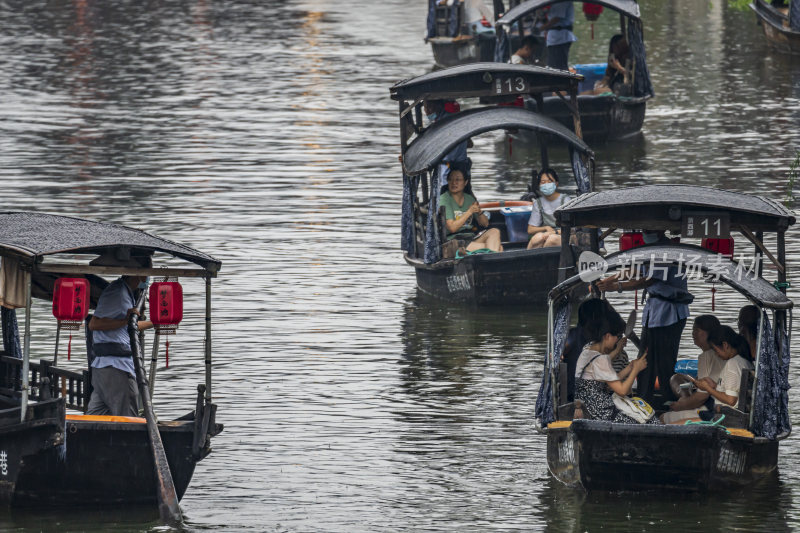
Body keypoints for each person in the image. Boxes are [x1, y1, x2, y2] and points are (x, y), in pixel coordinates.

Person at [596, 230, 692, 405]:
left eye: (648, 230)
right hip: (654, 313)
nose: (645, 233)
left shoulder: (666, 251)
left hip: (669, 314)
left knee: (664, 362)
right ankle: (643, 398)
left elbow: (645, 280)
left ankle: (667, 400)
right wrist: (607, 280)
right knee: (645, 358)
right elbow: (632, 270)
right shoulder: (649, 250)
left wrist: (615, 286)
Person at [87, 255, 153, 417]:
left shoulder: (126, 293)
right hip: (116, 368)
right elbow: (94, 324)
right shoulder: (117, 292)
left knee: (95, 417)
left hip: (107, 367)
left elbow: (130, 326)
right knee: (127, 418)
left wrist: (155, 322)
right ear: (140, 273)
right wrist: (125, 320)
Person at [574, 311, 656, 424]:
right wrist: (636, 370)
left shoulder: (587, 351)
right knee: (651, 421)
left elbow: (610, 379)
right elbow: (622, 390)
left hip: (589, 407)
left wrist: (630, 367)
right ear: (607, 336)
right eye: (617, 336)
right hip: (600, 412)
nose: (618, 340)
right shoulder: (601, 360)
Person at [662, 315, 723, 424]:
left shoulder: (707, 357)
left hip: (710, 409)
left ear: (706, 333)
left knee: (662, 417)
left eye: (696, 330)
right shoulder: (715, 354)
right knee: (677, 377)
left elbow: (701, 397)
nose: (693, 333)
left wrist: (681, 405)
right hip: (713, 403)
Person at [562, 298, 619, 402]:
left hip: (595, 392)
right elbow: (563, 348)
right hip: (576, 394)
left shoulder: (598, 337)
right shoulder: (574, 336)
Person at [439, 162, 503, 253]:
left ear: (465, 182)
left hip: (470, 238)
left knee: (495, 231)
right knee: (499, 248)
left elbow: (485, 224)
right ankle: (491, 257)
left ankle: (490, 257)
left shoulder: (469, 199)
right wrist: (469, 212)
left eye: (458, 180)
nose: (454, 183)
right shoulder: (444, 199)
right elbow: (452, 228)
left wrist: (479, 212)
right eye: (451, 180)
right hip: (453, 241)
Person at [690, 326, 754, 410]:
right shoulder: (744, 361)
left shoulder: (733, 364)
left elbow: (731, 400)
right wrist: (715, 386)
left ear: (725, 345)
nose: (716, 355)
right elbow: (734, 390)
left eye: (716, 350)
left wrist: (707, 388)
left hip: (727, 416)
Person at [526, 168, 571, 249]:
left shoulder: (565, 200)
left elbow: (573, 228)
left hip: (565, 236)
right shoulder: (538, 203)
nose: (546, 184)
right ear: (539, 185)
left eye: (550, 181)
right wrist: (546, 228)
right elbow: (530, 229)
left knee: (552, 239)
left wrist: (554, 232)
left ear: (556, 183)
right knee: (537, 238)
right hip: (546, 235)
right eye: (543, 182)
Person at [540, 1, 576, 70]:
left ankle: (560, 80)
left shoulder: (560, 2)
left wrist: (541, 28)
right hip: (555, 38)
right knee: (553, 65)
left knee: (557, 67)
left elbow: (556, 18)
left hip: (559, 38)